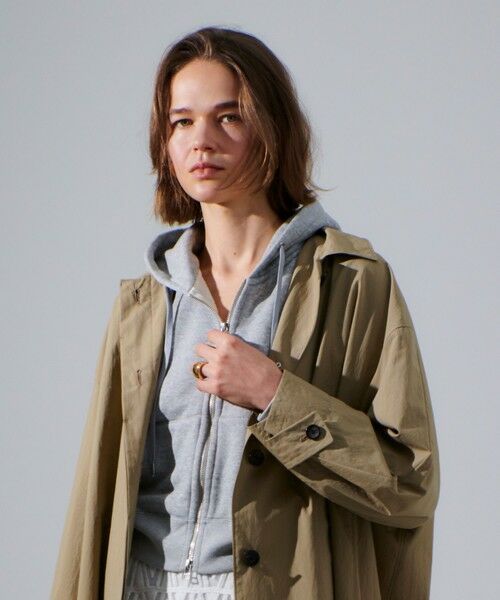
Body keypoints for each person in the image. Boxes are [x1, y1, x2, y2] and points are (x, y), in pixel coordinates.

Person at [51, 26, 440, 600]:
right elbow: (96, 497)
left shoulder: (353, 282)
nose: (201, 141)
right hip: (140, 584)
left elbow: (410, 483)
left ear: (272, 129)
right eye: (182, 121)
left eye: (228, 117)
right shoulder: (144, 303)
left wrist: (276, 396)